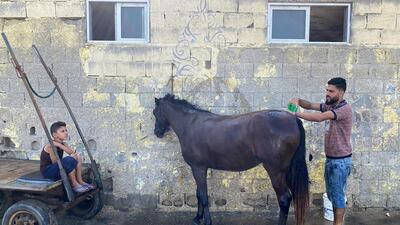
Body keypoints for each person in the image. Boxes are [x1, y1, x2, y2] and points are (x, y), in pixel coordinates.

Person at [289, 77, 352, 225]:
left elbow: (319, 118)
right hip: (332, 159)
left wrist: (296, 114)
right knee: (332, 195)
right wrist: (297, 100)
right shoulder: (331, 106)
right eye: (327, 90)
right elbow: (310, 105)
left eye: (331, 91)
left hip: (340, 161)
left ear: (341, 92)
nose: (327, 93)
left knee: (337, 197)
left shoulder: (343, 109)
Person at [40, 121, 95, 193]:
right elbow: (55, 162)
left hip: (57, 167)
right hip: (48, 171)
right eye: (62, 131)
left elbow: (72, 153)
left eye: (66, 130)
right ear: (55, 135)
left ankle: (80, 181)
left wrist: (61, 145)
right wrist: (60, 146)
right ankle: (75, 185)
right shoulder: (50, 146)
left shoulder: (63, 143)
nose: (66, 133)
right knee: (69, 159)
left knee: (77, 156)